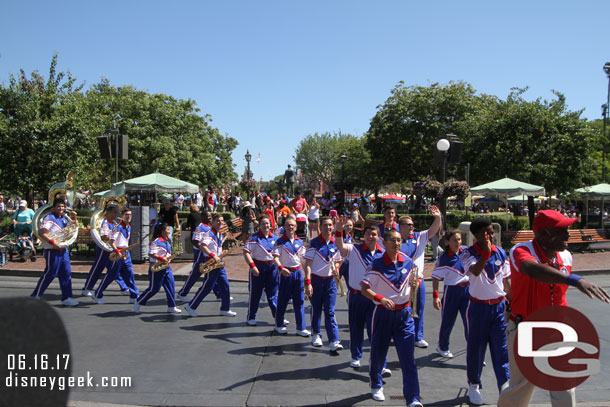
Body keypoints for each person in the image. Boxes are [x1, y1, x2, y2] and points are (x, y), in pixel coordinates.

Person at [497, 210, 610, 407]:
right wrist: (576, 280)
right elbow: (533, 270)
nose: (568, 235)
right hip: (526, 329)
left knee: (564, 386)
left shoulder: (566, 256)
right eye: (562, 230)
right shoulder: (521, 250)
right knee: (521, 386)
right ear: (545, 234)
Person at [360, 228, 422, 406]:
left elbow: (416, 279)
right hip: (382, 314)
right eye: (393, 240)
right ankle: (376, 384)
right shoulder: (377, 264)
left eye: (399, 240)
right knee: (378, 354)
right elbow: (365, 289)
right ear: (384, 243)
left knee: (408, 359)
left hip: (404, 315)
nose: (396, 244)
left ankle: (413, 398)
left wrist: (415, 283)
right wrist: (380, 298)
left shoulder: (408, 262)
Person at [462, 218, 511, 405]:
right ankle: (474, 385)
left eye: (491, 232)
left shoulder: (501, 253)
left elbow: (506, 283)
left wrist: (513, 302)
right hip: (478, 308)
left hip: (498, 308)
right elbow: (474, 271)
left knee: (501, 351)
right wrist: (485, 254)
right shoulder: (468, 253)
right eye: (485, 233)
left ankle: (504, 389)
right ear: (475, 235)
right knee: (476, 350)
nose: (490, 236)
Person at [335, 217, 386, 371]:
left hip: (374, 297)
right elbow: (340, 246)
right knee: (356, 327)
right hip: (356, 295)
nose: (371, 237)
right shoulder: (354, 249)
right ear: (364, 236)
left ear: (378, 237)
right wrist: (339, 231)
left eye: (374, 234)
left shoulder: (383, 254)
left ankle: (380, 363)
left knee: (376, 331)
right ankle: (355, 356)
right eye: (368, 234)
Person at [398, 205, 442, 349]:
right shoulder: (396, 239)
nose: (412, 227)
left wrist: (437, 217)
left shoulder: (419, 237)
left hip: (418, 279)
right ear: (401, 226)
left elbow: (433, 230)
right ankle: (400, 332)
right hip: (402, 281)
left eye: (412, 225)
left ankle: (418, 336)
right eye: (409, 225)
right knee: (403, 308)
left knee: (419, 308)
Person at [183, 214, 236, 317]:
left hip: (219, 263)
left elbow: (216, 247)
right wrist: (213, 255)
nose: (220, 223)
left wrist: (222, 252)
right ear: (213, 222)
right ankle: (191, 306)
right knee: (207, 287)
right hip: (211, 263)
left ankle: (225, 309)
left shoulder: (219, 234)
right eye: (217, 221)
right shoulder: (209, 234)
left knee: (225, 286)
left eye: (221, 220)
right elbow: (203, 246)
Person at [304, 216, 343, 352]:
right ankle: (316, 334)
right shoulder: (314, 243)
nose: (328, 228)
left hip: (330, 281)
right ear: (320, 227)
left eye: (330, 225)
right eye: (325, 225)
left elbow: (337, 261)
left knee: (330, 311)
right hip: (316, 280)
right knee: (316, 309)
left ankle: (334, 340)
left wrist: (337, 270)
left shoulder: (335, 243)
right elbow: (308, 264)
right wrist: (308, 282)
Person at [30, 198, 79, 306]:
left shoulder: (64, 218)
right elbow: (42, 233)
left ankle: (67, 297)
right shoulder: (49, 218)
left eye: (62, 206)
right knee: (50, 274)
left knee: (66, 273)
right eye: (58, 206)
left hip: (63, 250)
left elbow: (72, 229)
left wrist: (74, 218)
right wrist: (53, 242)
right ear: (54, 207)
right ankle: (35, 296)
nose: (61, 208)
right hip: (52, 250)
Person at [431, 229, 469, 359]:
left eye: (459, 239)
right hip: (452, 291)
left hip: (467, 291)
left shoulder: (465, 252)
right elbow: (435, 278)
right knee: (448, 321)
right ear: (447, 242)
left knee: (470, 322)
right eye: (454, 240)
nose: (457, 242)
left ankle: (473, 350)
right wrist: (436, 296)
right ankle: (443, 346)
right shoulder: (444, 258)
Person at [271, 217, 311, 336]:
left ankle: (301, 327)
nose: (290, 227)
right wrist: (281, 268)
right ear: (284, 227)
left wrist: (307, 276)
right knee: (282, 300)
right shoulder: (280, 242)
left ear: (296, 227)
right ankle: (278, 324)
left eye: (292, 225)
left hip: (297, 273)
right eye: (288, 225)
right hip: (285, 273)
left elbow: (303, 260)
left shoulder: (299, 242)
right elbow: (275, 258)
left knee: (299, 301)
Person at [92, 208, 139, 304]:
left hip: (126, 253)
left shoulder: (128, 226)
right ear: (122, 216)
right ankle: (97, 293)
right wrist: (117, 251)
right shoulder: (118, 227)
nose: (128, 216)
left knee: (129, 274)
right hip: (118, 252)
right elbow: (111, 241)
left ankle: (134, 295)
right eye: (126, 214)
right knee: (111, 275)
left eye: (130, 215)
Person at [82, 204, 129, 298]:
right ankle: (87, 288)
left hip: (111, 248)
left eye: (116, 212)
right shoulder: (105, 222)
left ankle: (124, 287)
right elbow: (104, 236)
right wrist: (114, 237)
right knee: (97, 268)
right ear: (108, 212)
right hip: (103, 249)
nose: (116, 214)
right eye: (114, 212)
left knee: (114, 269)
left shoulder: (114, 223)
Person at [133, 222, 181, 314]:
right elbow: (151, 253)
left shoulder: (166, 240)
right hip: (157, 267)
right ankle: (139, 301)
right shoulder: (157, 241)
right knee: (154, 288)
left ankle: (172, 306)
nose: (169, 231)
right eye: (167, 229)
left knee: (171, 286)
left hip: (166, 267)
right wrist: (162, 259)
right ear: (162, 231)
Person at [243, 215, 279, 326]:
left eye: (267, 223)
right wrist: (252, 266)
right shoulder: (254, 238)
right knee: (255, 294)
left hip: (272, 268)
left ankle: (278, 316)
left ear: (270, 224)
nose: (266, 226)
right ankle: (251, 317)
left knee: (273, 294)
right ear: (259, 225)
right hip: (258, 267)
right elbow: (246, 252)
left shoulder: (275, 238)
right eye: (263, 223)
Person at [177, 211, 212, 302]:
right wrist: (203, 249)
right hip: (201, 254)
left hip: (209, 255)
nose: (209, 218)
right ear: (202, 217)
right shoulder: (200, 227)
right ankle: (183, 293)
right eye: (207, 216)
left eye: (210, 216)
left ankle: (220, 294)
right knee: (195, 274)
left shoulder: (210, 227)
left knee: (214, 274)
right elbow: (195, 241)